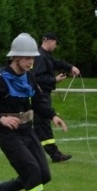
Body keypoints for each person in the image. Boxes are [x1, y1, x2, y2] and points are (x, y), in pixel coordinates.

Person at [0, 33, 68, 191]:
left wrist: (52, 115)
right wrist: (0, 118)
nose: (31, 62)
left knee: (44, 174)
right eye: (27, 58)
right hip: (8, 135)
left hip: (27, 131)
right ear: (15, 57)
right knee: (31, 170)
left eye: (32, 57)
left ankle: (6, 187)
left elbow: (39, 100)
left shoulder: (29, 77)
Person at [33, 32, 79, 162]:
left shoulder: (46, 55)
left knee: (39, 125)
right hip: (40, 94)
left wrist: (71, 67)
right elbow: (37, 78)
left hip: (43, 94)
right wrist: (54, 80)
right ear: (49, 41)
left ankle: (35, 151)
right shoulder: (41, 57)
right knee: (43, 124)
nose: (56, 46)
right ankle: (55, 154)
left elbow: (57, 63)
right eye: (55, 43)